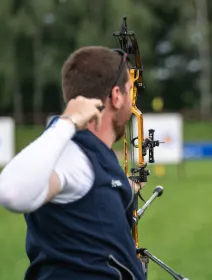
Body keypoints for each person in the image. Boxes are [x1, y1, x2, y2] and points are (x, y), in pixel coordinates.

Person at [0, 46, 146, 280]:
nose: (132, 103)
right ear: (116, 96)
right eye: (130, 91)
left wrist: (129, 186)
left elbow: (92, 197)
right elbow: (11, 193)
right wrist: (67, 122)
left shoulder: (93, 153)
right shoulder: (72, 154)